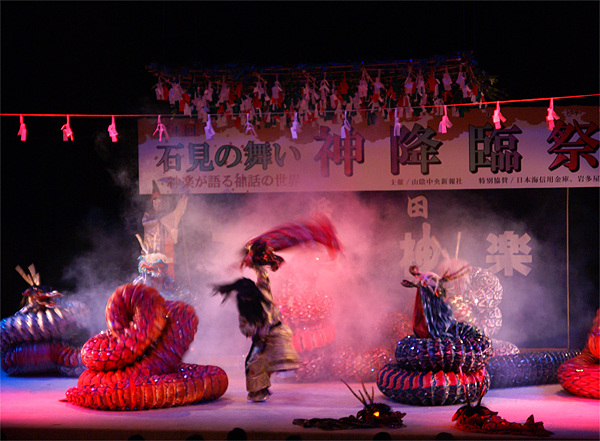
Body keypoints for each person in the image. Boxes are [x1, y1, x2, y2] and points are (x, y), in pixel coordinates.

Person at [214, 239, 302, 402]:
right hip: (261, 340)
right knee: (253, 363)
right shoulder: (245, 311)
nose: (246, 299)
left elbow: (263, 276)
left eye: (249, 296)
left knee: (279, 346)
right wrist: (256, 332)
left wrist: (254, 263)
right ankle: (259, 391)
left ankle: (284, 366)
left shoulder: (263, 294)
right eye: (244, 297)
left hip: (276, 332)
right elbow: (245, 329)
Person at [141, 180, 188, 279]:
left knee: (167, 270)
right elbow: (145, 224)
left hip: (165, 247)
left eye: (159, 204)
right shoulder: (148, 214)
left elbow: (175, 215)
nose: (158, 206)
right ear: (152, 204)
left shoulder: (166, 215)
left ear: (163, 204)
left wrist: (181, 203)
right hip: (152, 248)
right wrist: (158, 221)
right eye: (155, 204)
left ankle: (168, 286)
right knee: (152, 271)